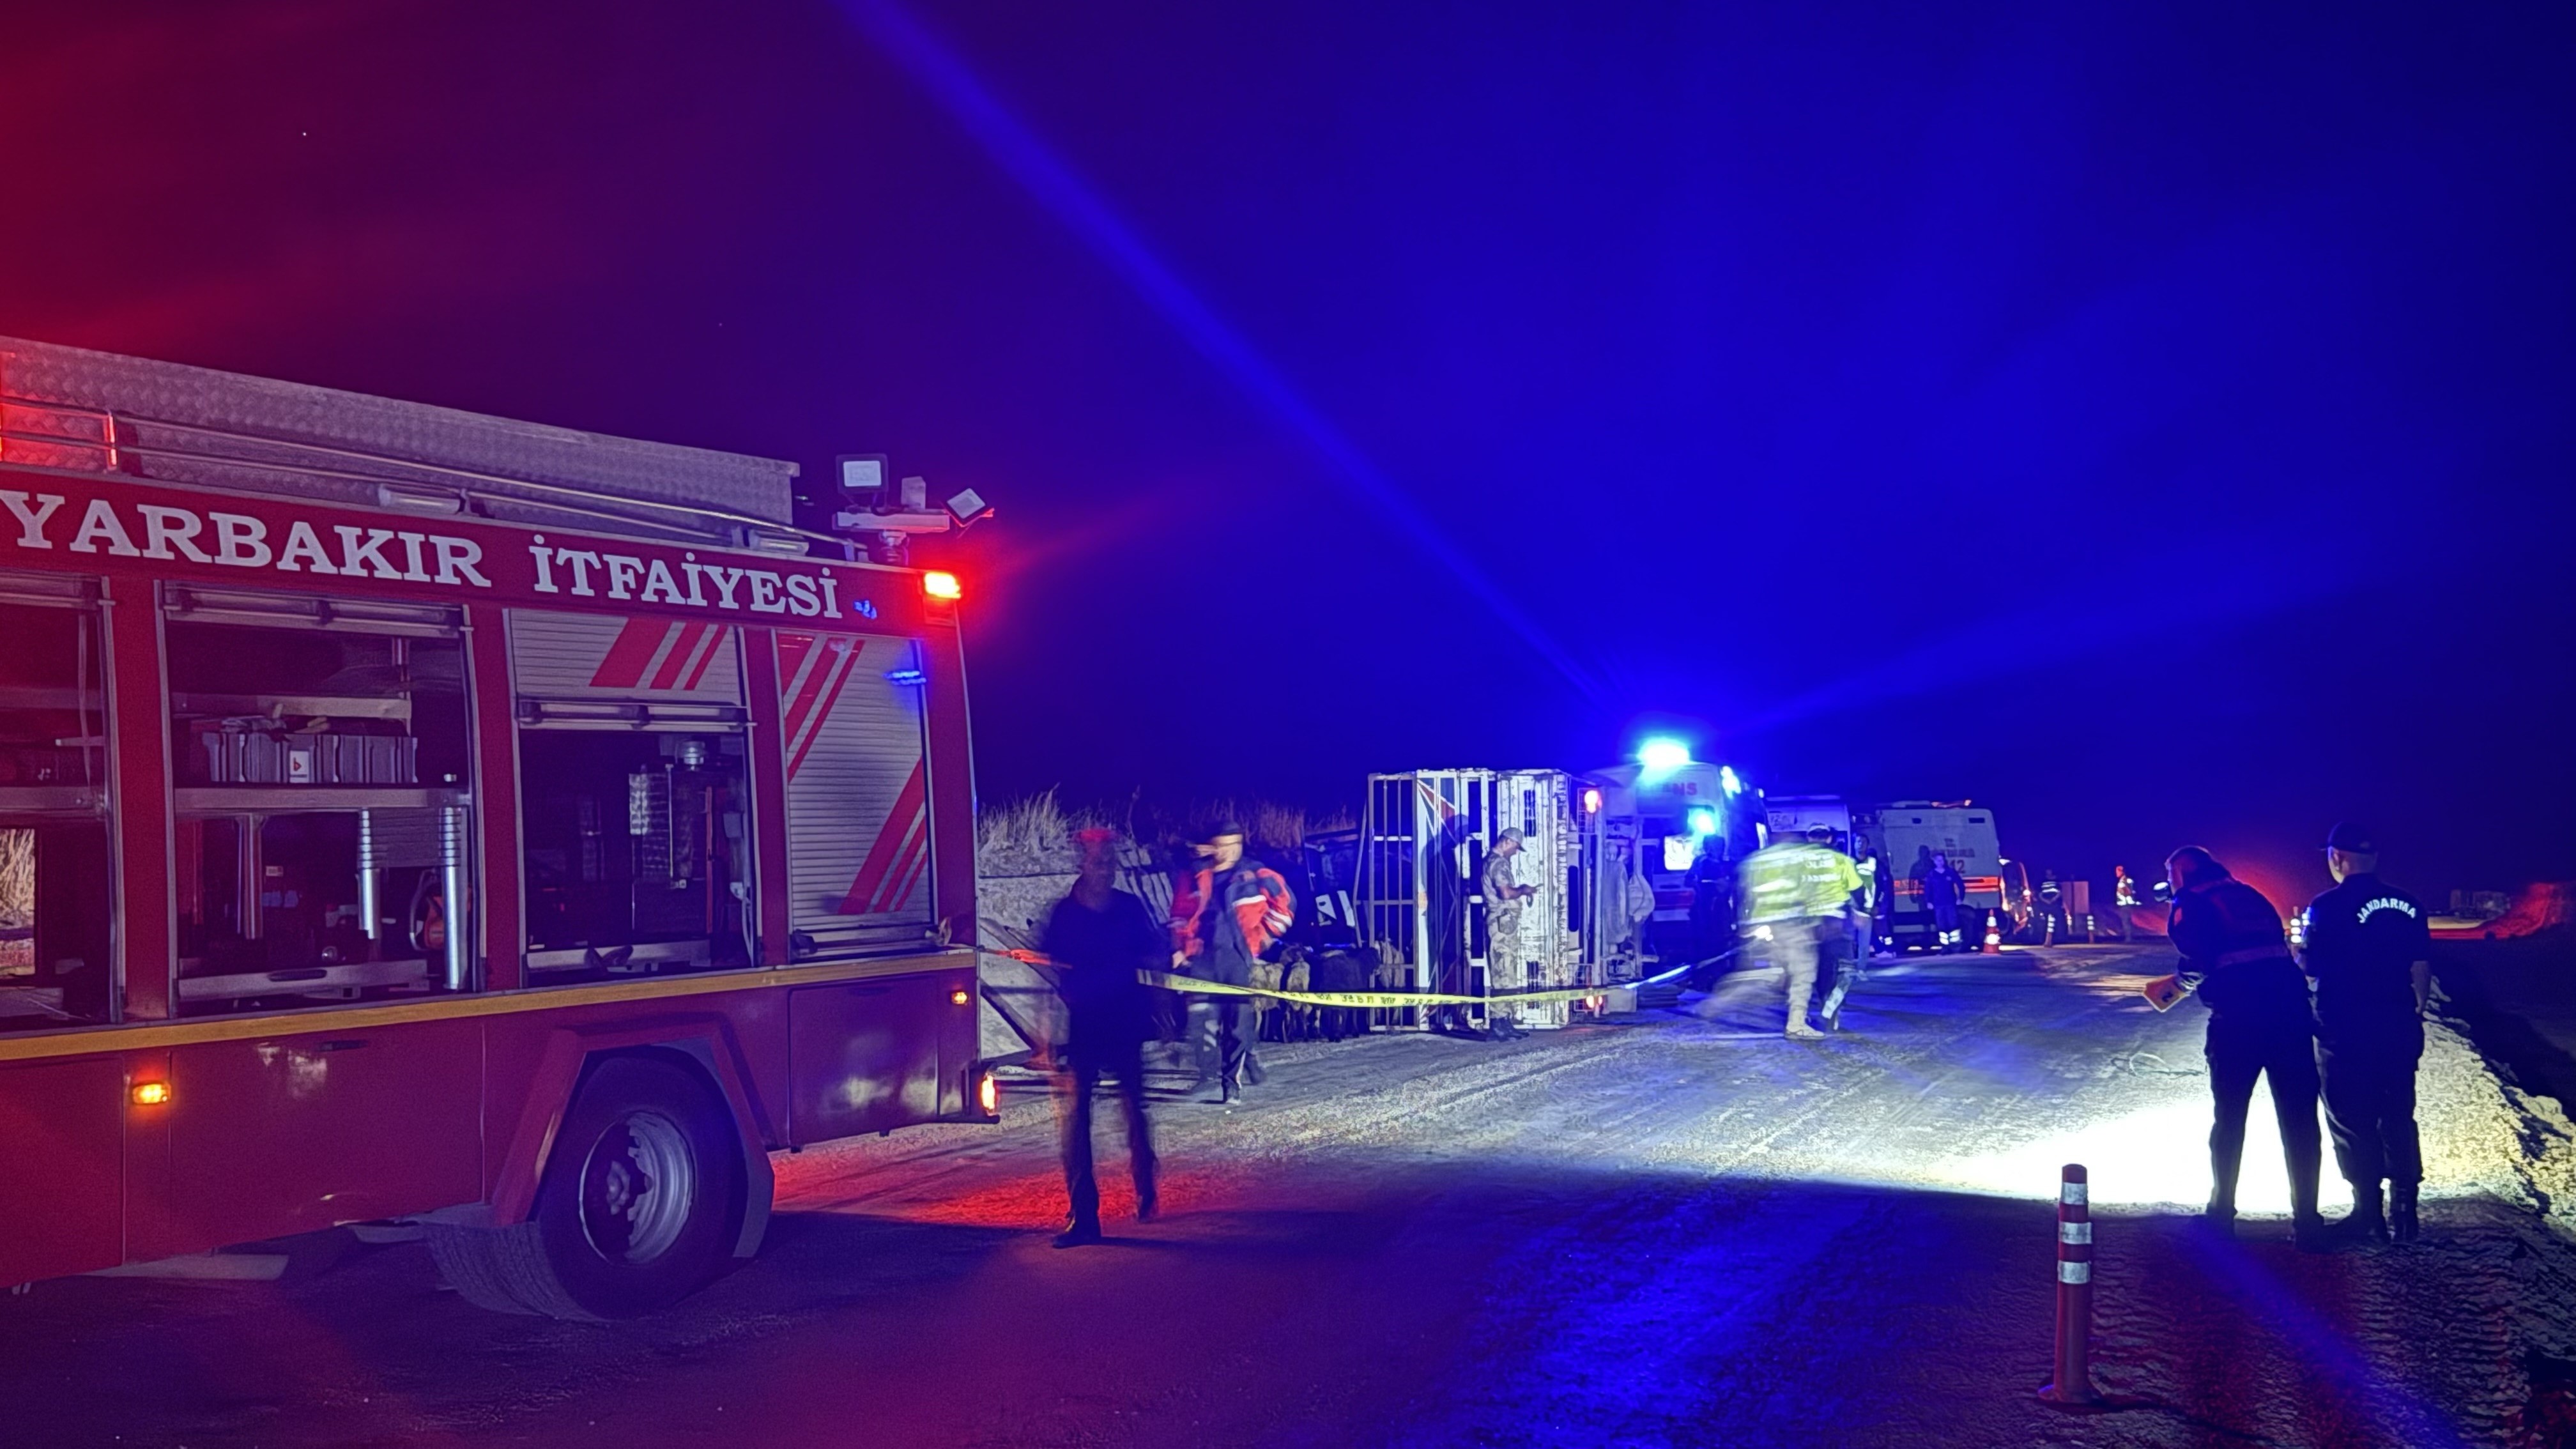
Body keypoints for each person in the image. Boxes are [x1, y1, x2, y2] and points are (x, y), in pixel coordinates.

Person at [2166, 845, 2326, 1247]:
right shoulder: (2250, 894)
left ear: (2183, 874)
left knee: (2230, 1119)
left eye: (2171, 878)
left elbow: (2197, 958)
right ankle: (2308, 1222)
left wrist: (2179, 987)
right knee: (2300, 1120)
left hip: (2238, 1020)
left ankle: (2220, 1218)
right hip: (2289, 1015)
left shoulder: (2191, 902)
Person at [2298, 824, 2434, 1246]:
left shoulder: (2325, 906)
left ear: (2337, 857)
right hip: (2396, 1024)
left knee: (2351, 1120)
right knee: (2397, 1115)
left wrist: (2296, 955)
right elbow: (2421, 968)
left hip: (2344, 1028)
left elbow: (2314, 966)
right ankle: (2406, 1213)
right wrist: (2415, 1013)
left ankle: (2369, 1214)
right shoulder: (2409, 904)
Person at [1040, 831, 1161, 1247]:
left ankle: (1145, 1178)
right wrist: (1047, 1034)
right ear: (1083, 866)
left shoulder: (1130, 909)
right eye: (1097, 862)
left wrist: (1163, 1010)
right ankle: (1084, 1215)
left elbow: (1153, 958)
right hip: (1084, 1029)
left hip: (1126, 1023)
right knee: (1076, 1123)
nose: (1104, 870)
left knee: (1134, 1111)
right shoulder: (1064, 915)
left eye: (1110, 863)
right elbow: (1050, 972)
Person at [1173, 821, 1293, 1104]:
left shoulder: (1256, 874)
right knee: (1201, 1018)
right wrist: (1178, 947)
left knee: (1237, 1022)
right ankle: (1208, 1076)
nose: (1228, 852)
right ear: (1212, 846)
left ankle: (1232, 1084)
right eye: (1222, 846)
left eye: (1233, 845)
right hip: (1202, 958)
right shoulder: (1194, 876)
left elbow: (1286, 906)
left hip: (1237, 957)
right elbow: (1179, 914)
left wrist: (1263, 938)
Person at [1737, 827, 1860, 1040]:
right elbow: (1818, 890)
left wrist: (1746, 922)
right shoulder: (1829, 859)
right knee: (1815, 971)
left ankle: (1767, 988)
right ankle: (1809, 1016)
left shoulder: (1776, 858)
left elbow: (1748, 890)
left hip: (1783, 923)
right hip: (1812, 922)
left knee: (1795, 969)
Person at [1800, 826, 1867, 1030]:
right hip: (1837, 924)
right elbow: (1857, 889)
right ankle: (1832, 1006)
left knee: (1821, 969)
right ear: (1829, 838)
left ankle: (1824, 1003)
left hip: (1810, 925)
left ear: (1808, 838)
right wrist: (1860, 913)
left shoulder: (1797, 862)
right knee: (1845, 970)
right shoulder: (1841, 860)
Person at [1483, 829, 1537, 1039]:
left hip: (1503, 924)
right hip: (1501, 923)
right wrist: (1523, 889)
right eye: (1515, 848)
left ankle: (1504, 1022)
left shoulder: (1491, 861)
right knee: (1503, 973)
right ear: (1507, 842)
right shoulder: (1498, 863)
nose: (1515, 853)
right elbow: (1505, 893)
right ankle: (1498, 1024)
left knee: (1507, 973)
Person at [1922, 850, 1963, 952]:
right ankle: (1945, 947)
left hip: (1951, 903)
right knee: (1942, 926)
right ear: (1935, 862)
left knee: (1953, 926)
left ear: (1944, 861)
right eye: (1938, 860)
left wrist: (1960, 898)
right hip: (1938, 904)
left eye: (1942, 860)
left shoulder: (1950, 872)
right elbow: (1928, 889)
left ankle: (1956, 947)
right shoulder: (1931, 875)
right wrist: (1929, 902)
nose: (1940, 862)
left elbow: (1960, 885)